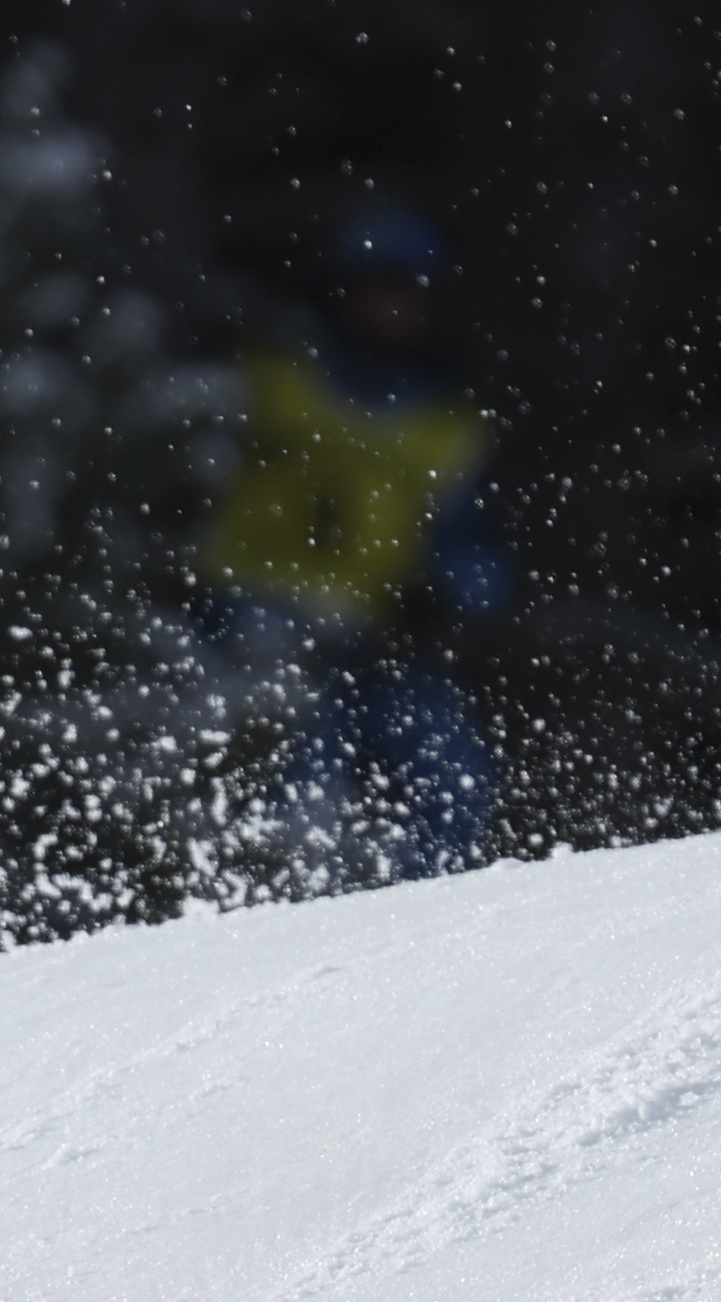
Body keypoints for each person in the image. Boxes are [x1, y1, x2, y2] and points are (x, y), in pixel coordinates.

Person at [203, 206, 512, 883]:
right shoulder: (270, 380)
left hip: (377, 639)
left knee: (449, 772)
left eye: (405, 293)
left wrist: (450, 598)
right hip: (256, 619)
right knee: (299, 758)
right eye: (373, 290)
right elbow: (189, 478)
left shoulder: (443, 424)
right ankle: (275, 897)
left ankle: (423, 915)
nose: (389, 309)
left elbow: (474, 552)